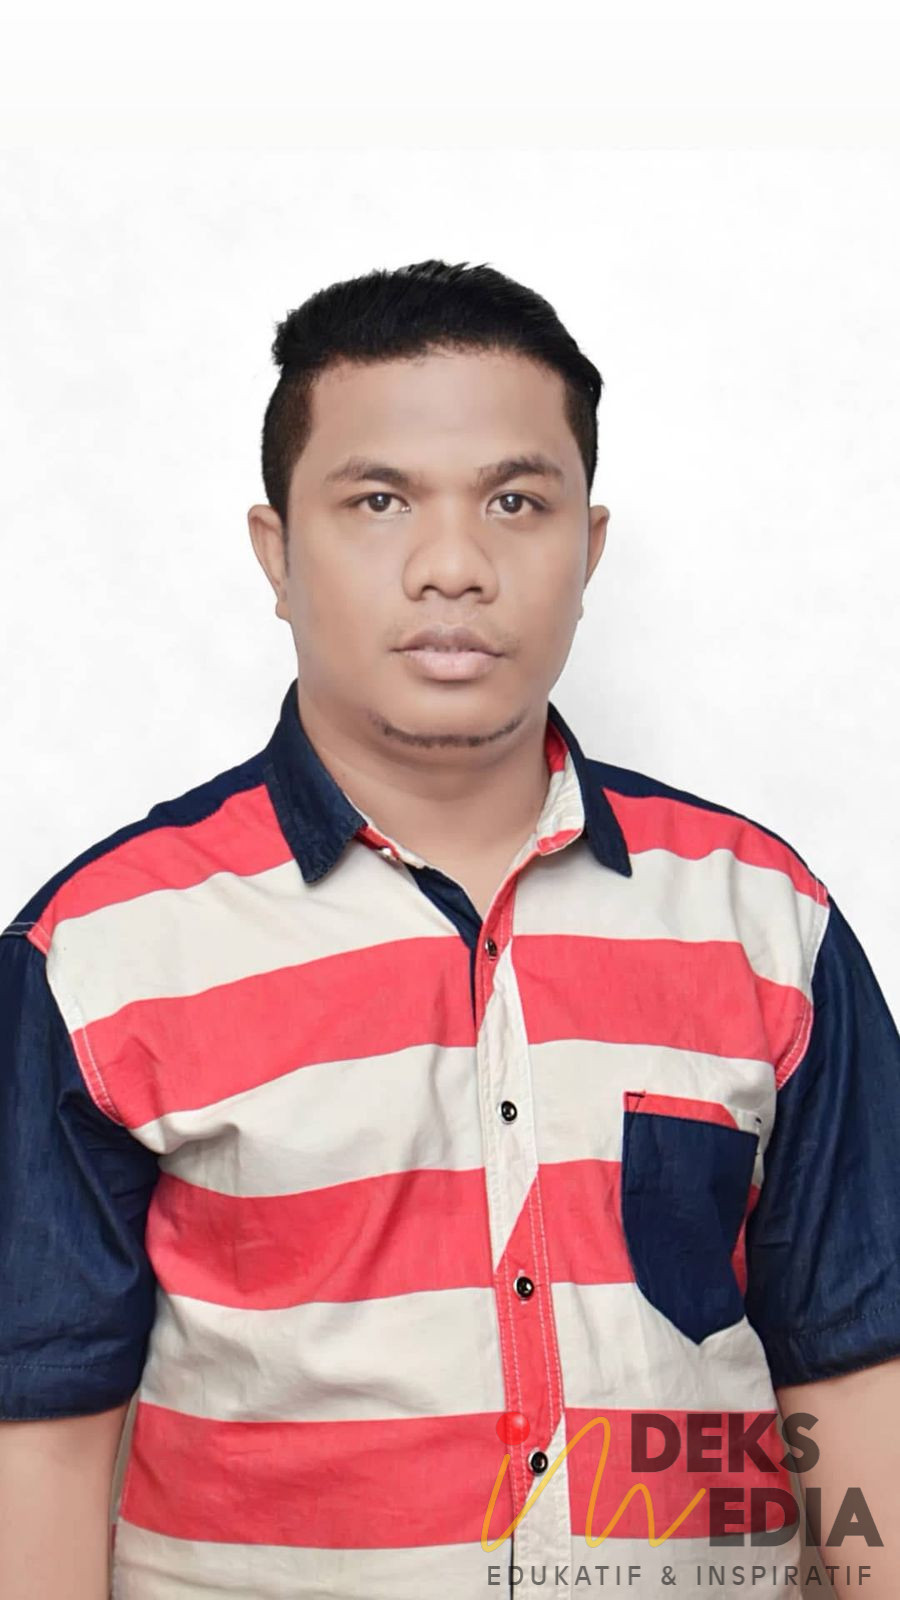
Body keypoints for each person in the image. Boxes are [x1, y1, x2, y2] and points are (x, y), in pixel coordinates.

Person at [1, 259, 898, 1600]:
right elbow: (40, 1432)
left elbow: (857, 1366)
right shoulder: (103, 951)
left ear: (589, 548)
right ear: (276, 552)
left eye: (516, 502)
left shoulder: (762, 915)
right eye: (379, 502)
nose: (454, 567)